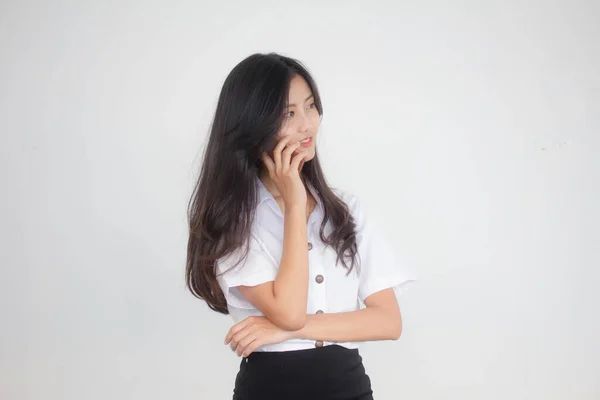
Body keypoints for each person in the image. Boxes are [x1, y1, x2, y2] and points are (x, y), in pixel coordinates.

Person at [186, 52, 416, 400]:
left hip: (348, 387)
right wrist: (295, 205)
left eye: (310, 106)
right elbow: (290, 312)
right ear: (252, 124)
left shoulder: (344, 209)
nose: (307, 124)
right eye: (288, 113)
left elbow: (389, 322)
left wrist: (283, 332)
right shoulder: (233, 219)